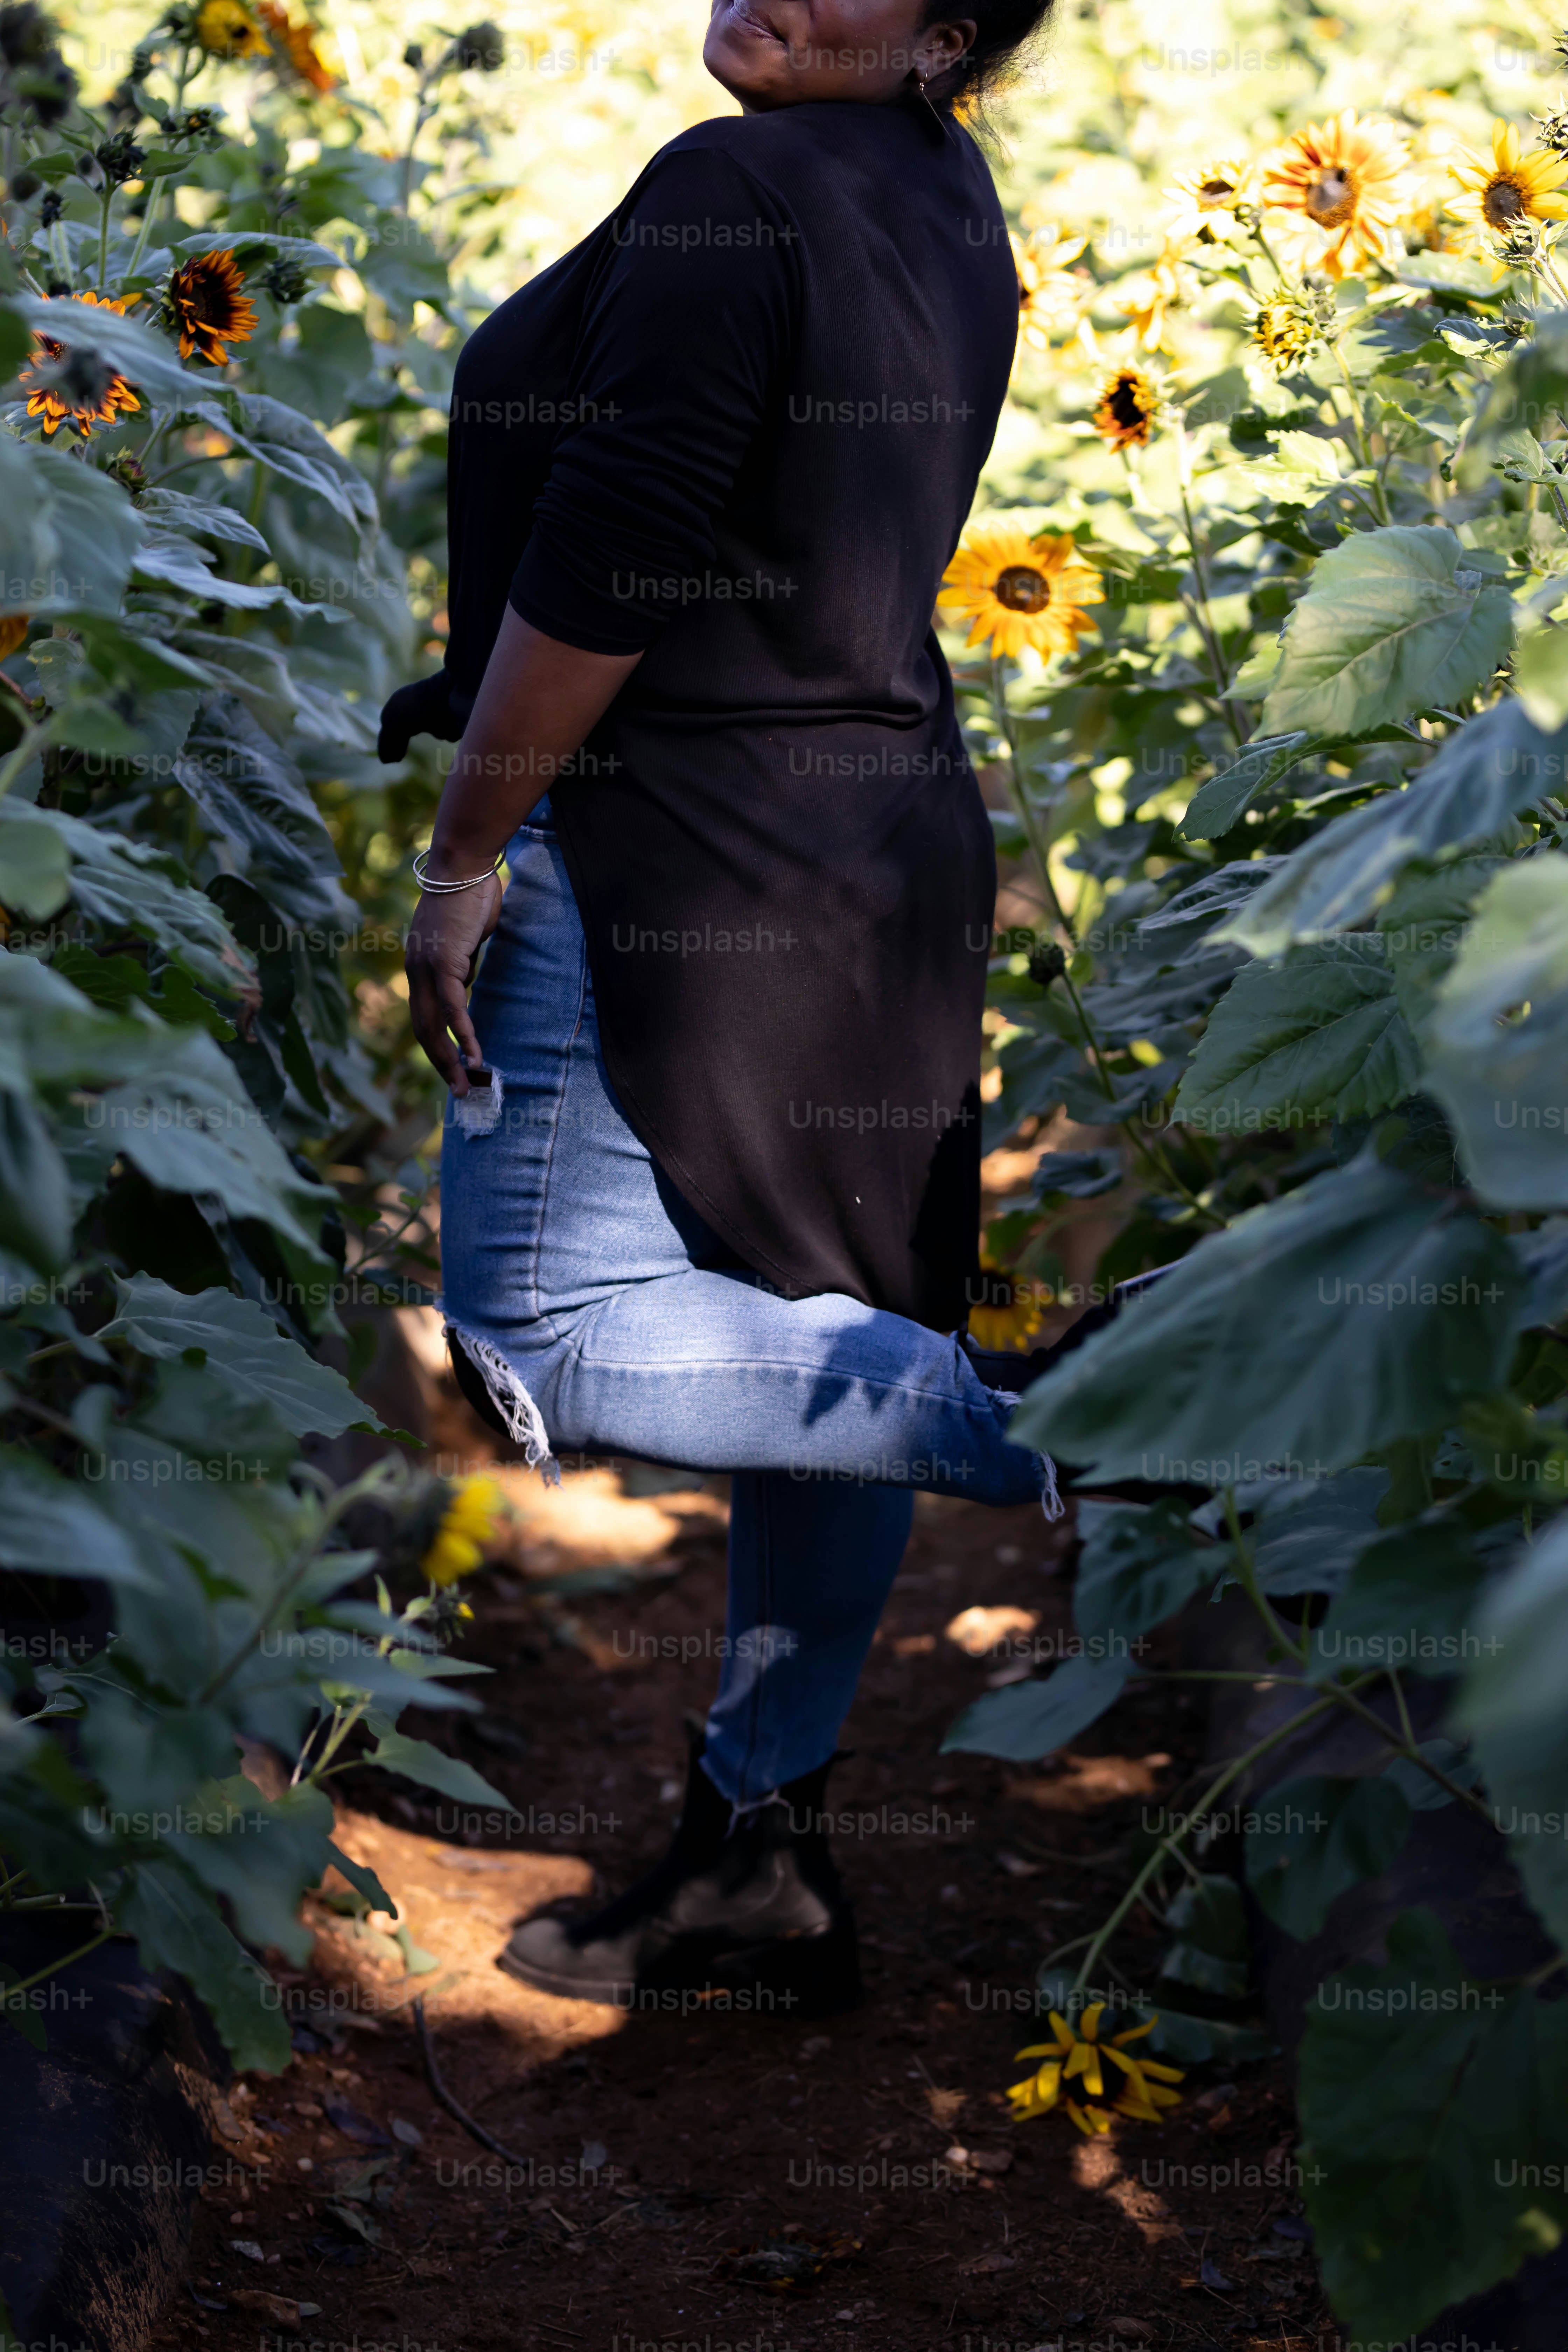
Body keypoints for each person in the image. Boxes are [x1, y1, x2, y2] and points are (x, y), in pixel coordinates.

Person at [381, 0, 1058, 2017]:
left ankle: (1092, 1442)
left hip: (672, 844)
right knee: (820, 1347)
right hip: (869, 853)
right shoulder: (937, 188)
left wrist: (463, 848)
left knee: (546, 1333)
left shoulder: (730, 182)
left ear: (938, 34)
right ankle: (758, 1855)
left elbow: (612, 562)